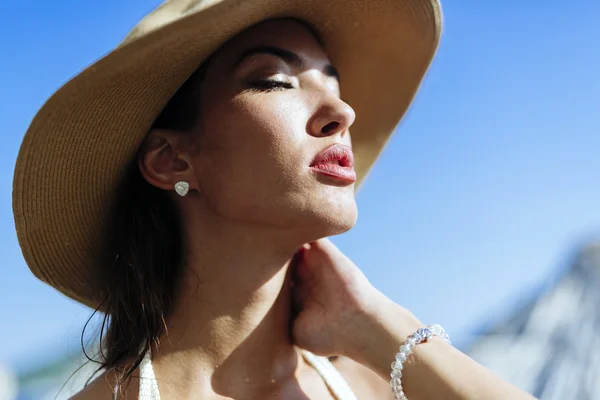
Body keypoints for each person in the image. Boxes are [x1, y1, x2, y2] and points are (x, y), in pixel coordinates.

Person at [13, 1, 538, 399]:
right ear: (171, 160)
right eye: (275, 80)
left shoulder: (374, 383)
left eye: (333, 81)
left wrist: (379, 326)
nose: (341, 110)